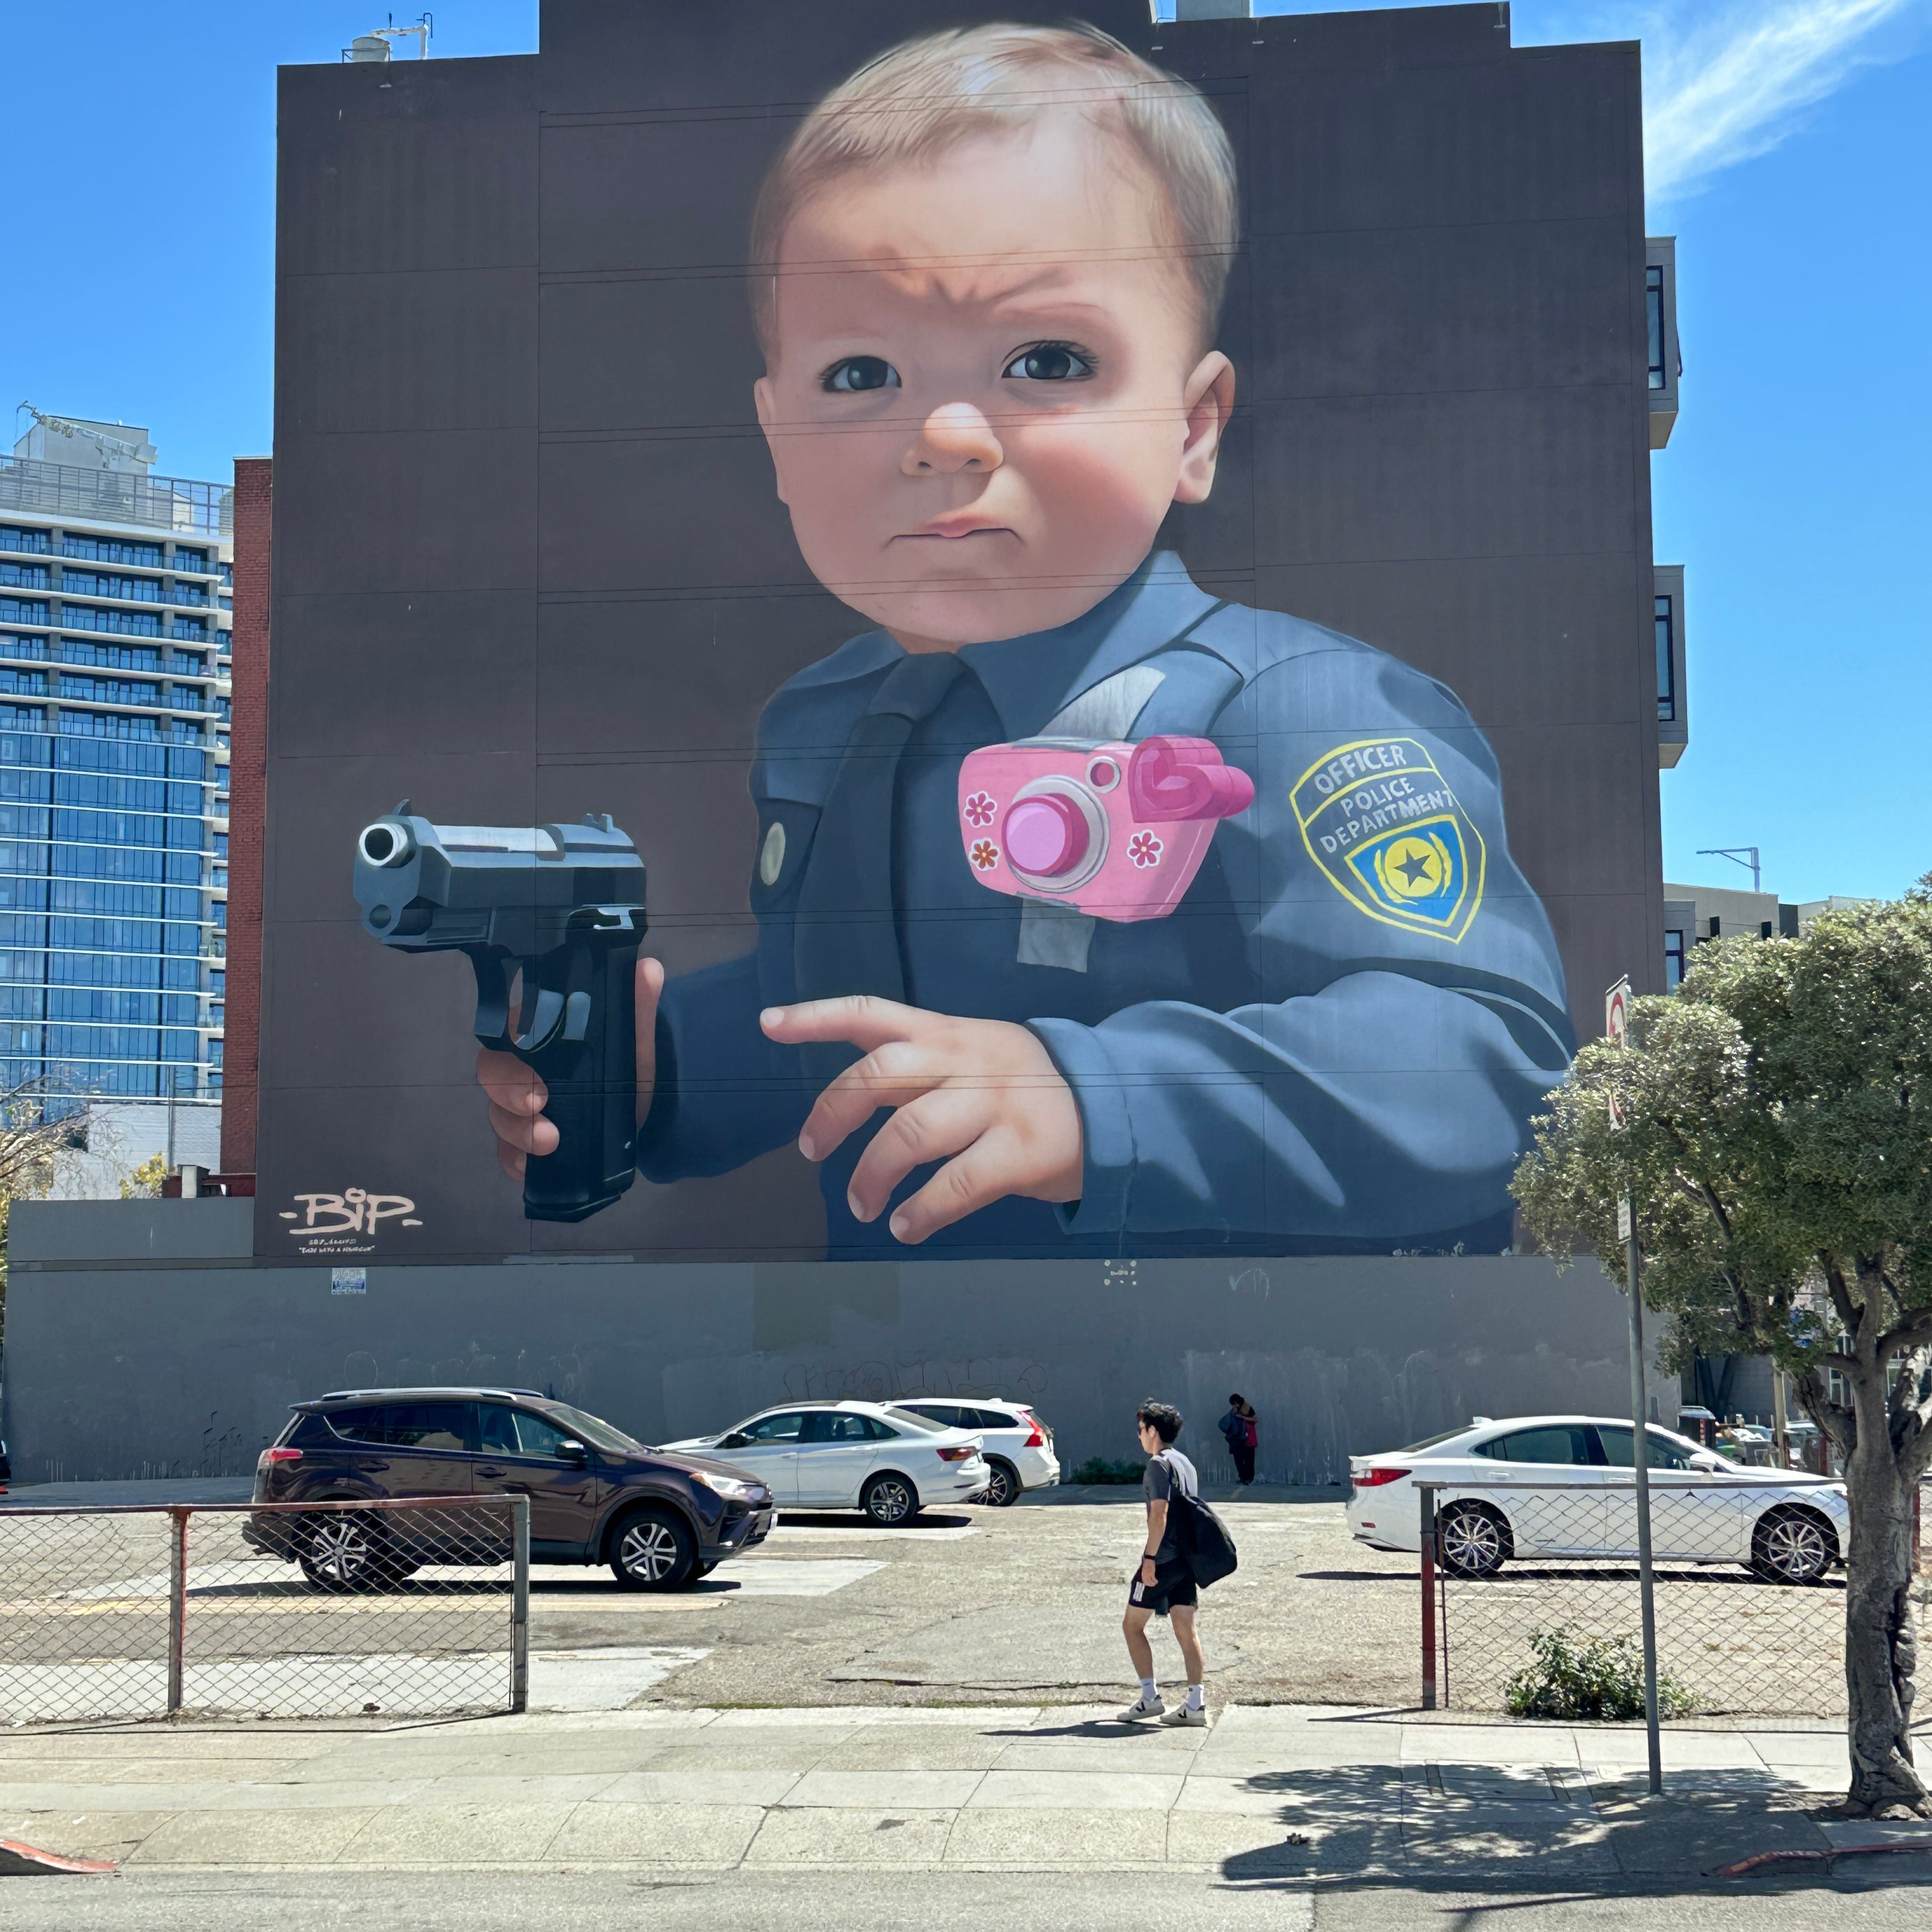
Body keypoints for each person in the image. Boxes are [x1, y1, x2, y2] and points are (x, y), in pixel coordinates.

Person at [478, 22, 1573, 1258]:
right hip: (899, 1383)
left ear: (1195, 425)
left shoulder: (1292, 705)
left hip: (1224, 1373)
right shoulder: (822, 726)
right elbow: (836, 1034)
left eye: (1046, 360)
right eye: (858, 376)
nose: (947, 434)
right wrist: (651, 1079)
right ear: (776, 437)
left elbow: (1485, 1059)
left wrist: (1096, 1101)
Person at [1121, 1400, 1206, 1726]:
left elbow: (1160, 1514)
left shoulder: (1158, 1465)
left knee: (1132, 1626)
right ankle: (1195, 1705)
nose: (1139, 1436)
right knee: (1186, 1629)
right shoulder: (1185, 1463)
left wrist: (1149, 1559)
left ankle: (1149, 1698)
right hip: (1187, 1560)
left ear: (1153, 1431)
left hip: (1164, 1559)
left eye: (1141, 1430)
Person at [1218, 1394, 1258, 1487]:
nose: (1234, 1406)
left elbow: (1255, 1419)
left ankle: (1249, 1478)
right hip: (1238, 1440)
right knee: (1239, 1459)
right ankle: (1243, 1478)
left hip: (1248, 1439)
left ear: (1236, 1402)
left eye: (1234, 1404)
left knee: (1249, 1460)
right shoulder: (1235, 1411)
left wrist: (1242, 1417)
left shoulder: (1247, 1408)